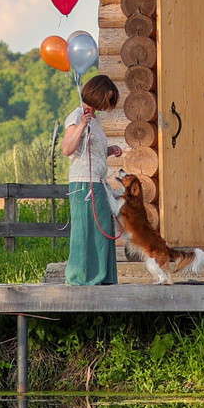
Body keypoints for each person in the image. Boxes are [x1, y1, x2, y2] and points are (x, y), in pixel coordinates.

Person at [61, 75, 123, 287]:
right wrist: (80, 126)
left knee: (102, 226)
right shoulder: (77, 115)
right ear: (97, 93)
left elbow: (90, 151)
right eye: (107, 98)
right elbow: (68, 148)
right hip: (83, 182)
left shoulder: (95, 120)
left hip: (97, 181)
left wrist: (109, 150)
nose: (108, 104)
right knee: (85, 227)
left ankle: (102, 276)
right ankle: (79, 276)